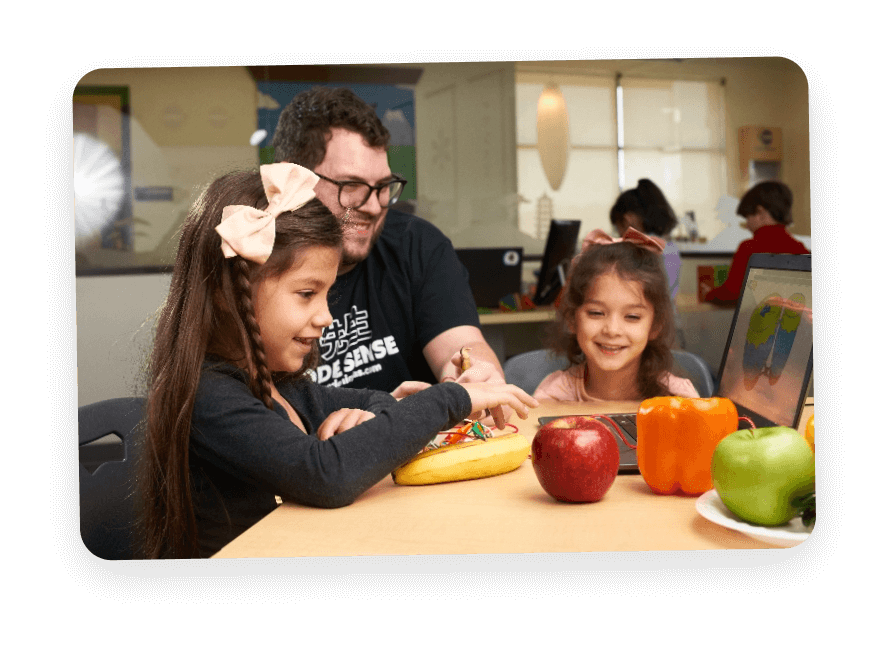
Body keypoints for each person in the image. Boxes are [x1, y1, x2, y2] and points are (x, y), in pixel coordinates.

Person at [140, 163, 538, 559]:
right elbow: (326, 475)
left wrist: (370, 421)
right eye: (306, 293)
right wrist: (451, 399)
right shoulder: (206, 395)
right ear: (228, 293)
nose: (326, 316)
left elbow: (380, 402)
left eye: (327, 294)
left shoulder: (280, 385)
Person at [271, 87, 506, 403]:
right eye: (351, 185)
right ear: (291, 180)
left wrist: (475, 369)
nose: (372, 206)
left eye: (382, 187)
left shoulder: (417, 245)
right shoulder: (252, 265)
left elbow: (462, 345)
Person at [534, 228, 699, 402]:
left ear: (655, 325)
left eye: (632, 316)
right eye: (596, 313)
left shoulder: (677, 397)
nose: (612, 330)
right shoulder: (554, 396)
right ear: (572, 319)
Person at [704, 181, 809, 304]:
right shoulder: (800, 249)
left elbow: (731, 293)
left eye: (748, 217)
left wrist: (709, 294)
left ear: (760, 213)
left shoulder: (748, 248)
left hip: (757, 321)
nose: (747, 225)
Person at [609, 179, 682, 302]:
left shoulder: (643, 250)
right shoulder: (670, 247)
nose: (620, 235)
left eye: (618, 228)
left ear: (627, 220)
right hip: (668, 318)